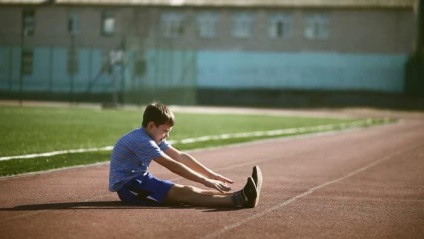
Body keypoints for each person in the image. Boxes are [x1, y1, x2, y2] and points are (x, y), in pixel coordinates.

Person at [109, 101, 262, 208]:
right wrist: (204, 180)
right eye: (165, 131)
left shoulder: (151, 135)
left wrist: (211, 175)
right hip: (130, 188)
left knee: (190, 190)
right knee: (185, 194)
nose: (167, 136)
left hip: (140, 180)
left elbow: (180, 156)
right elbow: (173, 165)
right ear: (151, 125)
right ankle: (239, 200)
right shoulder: (143, 141)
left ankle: (242, 194)